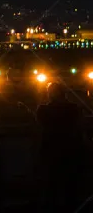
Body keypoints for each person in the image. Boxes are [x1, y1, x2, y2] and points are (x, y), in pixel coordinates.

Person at [36, 82, 85, 212]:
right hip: (70, 151)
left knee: (52, 185)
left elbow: (40, 124)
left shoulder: (44, 110)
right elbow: (79, 129)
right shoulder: (74, 109)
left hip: (52, 151)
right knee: (70, 185)